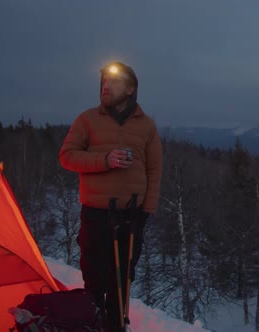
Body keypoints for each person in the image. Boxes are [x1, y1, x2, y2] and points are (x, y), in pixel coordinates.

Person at [59, 61, 162, 331]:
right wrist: (105, 160)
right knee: (94, 276)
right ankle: (90, 322)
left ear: (130, 89)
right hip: (95, 213)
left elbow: (155, 169)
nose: (105, 85)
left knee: (123, 278)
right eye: (103, 81)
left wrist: (147, 211)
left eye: (114, 81)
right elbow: (67, 156)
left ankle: (116, 325)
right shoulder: (87, 119)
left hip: (132, 215)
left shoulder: (147, 125)